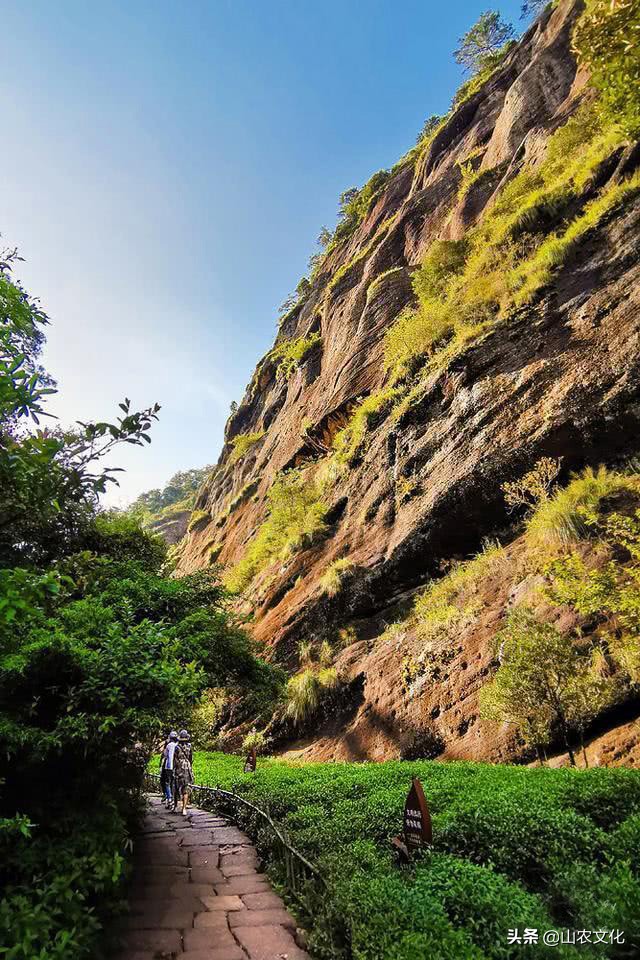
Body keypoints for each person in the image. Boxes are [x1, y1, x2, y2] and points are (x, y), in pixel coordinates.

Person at [173, 729, 194, 817]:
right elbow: (191, 758)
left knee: (176, 786)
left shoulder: (177, 747)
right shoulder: (190, 746)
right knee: (186, 788)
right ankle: (184, 808)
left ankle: (175, 806)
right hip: (187, 768)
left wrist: (176, 769)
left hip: (179, 768)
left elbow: (175, 759)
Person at [160, 730, 178, 810]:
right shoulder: (177, 745)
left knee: (167, 783)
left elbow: (165, 755)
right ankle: (173, 799)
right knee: (174, 783)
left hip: (168, 767)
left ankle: (169, 798)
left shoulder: (168, 745)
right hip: (175, 766)